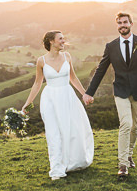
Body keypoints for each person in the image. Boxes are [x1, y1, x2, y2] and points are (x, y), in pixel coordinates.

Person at [83, 12, 137, 177]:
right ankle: (123, 164)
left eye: (125, 22)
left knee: (135, 127)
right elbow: (101, 70)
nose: (122, 25)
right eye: (119, 23)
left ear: (131, 24)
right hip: (121, 91)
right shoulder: (111, 46)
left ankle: (129, 154)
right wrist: (89, 92)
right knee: (125, 124)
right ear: (117, 25)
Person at [21, 30, 94, 180]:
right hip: (50, 99)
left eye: (63, 39)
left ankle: (73, 161)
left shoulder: (67, 56)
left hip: (67, 97)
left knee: (73, 129)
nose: (63, 41)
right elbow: (37, 84)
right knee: (54, 133)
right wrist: (27, 105)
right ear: (51, 41)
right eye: (60, 39)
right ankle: (57, 167)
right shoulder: (41, 61)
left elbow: (73, 78)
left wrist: (84, 94)